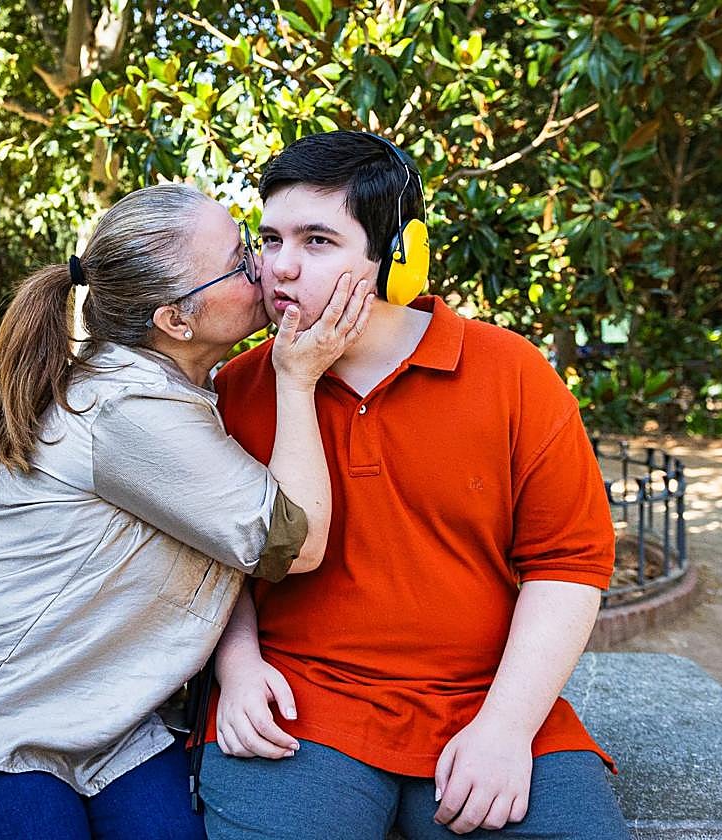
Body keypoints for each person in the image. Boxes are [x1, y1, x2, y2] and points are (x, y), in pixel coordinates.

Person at [0, 183, 374, 840]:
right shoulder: (129, 412)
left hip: (103, 715)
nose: (268, 267)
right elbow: (291, 545)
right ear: (174, 321)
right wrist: (298, 380)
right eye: (242, 260)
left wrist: (238, 656)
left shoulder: (174, 385)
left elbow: (211, 550)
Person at [199, 131, 630, 839]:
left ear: (400, 257)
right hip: (301, 703)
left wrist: (504, 729)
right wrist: (238, 665)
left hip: (487, 701)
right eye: (270, 240)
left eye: (316, 241)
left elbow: (568, 565)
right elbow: (216, 561)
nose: (279, 268)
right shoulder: (239, 388)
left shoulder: (512, 374)